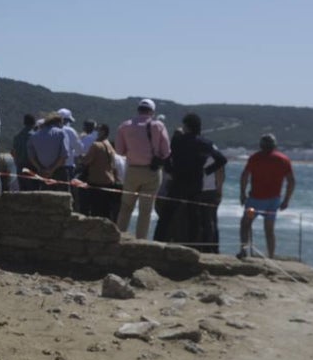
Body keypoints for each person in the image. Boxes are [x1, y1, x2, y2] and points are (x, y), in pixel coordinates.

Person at [155, 113, 226, 248]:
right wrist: (207, 170)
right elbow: (222, 160)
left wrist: (170, 170)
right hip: (195, 183)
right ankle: (192, 246)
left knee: (166, 216)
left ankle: (157, 242)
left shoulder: (177, 141)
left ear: (186, 126)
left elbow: (167, 158)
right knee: (194, 217)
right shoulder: (205, 143)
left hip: (178, 181)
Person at [115, 99, 171, 239]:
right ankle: (141, 240)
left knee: (126, 207)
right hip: (151, 172)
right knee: (145, 211)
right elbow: (166, 151)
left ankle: (119, 236)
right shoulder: (158, 126)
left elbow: (120, 151)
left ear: (138, 109)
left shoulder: (125, 126)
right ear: (152, 111)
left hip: (132, 170)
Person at [238, 134, 296, 259]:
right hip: (273, 201)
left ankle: (243, 251)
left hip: (255, 201)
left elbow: (245, 176)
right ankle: (271, 256)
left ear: (261, 145)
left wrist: (242, 193)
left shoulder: (255, 158)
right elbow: (291, 181)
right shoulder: (283, 159)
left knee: (246, 224)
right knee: (269, 230)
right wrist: (286, 200)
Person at [78, 123, 119, 220]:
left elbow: (86, 161)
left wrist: (80, 156)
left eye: (98, 130)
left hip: (96, 180)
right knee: (105, 210)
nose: (95, 132)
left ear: (103, 132)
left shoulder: (96, 145)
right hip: (109, 180)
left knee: (94, 209)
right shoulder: (109, 145)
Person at [26, 112, 69, 189]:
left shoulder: (34, 135)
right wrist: (52, 170)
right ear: (58, 122)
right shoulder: (61, 133)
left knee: (45, 197)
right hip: (59, 172)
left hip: (42, 172)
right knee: (62, 198)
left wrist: (40, 168)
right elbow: (64, 156)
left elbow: (31, 157)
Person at [199, 152, 226, 254]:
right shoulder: (212, 150)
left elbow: (219, 171)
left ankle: (208, 247)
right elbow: (220, 172)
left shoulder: (209, 151)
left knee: (207, 221)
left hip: (206, 189)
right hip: (209, 189)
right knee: (210, 220)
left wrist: (219, 189)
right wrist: (219, 189)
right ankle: (211, 248)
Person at [11, 113, 38, 191]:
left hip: (19, 166)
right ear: (34, 123)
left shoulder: (17, 136)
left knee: (23, 190)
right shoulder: (34, 136)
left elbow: (13, 152)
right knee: (33, 190)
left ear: (24, 123)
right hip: (32, 166)